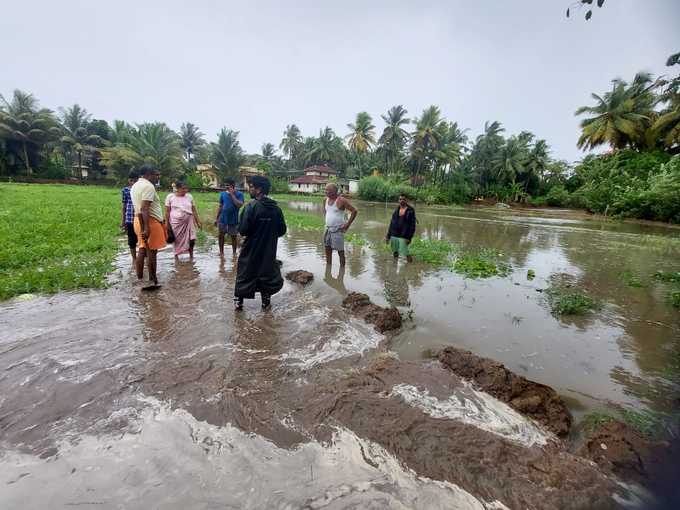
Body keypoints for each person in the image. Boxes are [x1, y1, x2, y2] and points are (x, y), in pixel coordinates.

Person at [234, 176, 287, 311]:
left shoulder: (251, 207)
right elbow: (282, 231)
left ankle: (239, 303)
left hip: (251, 249)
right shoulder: (276, 209)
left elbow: (243, 230)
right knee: (266, 274)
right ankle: (266, 303)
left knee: (244, 273)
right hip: (268, 250)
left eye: (251, 187)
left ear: (258, 190)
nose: (249, 189)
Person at [131, 164, 165, 289]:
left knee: (142, 249)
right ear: (148, 174)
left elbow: (140, 209)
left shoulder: (135, 185)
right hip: (149, 221)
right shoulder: (148, 186)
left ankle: (140, 279)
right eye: (156, 175)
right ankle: (152, 280)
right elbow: (144, 208)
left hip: (137, 220)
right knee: (152, 251)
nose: (158, 177)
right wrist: (147, 228)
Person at [164, 181, 202, 260]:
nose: (185, 190)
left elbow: (194, 210)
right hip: (176, 223)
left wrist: (198, 221)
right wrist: (167, 223)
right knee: (177, 241)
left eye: (186, 188)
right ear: (177, 189)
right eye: (183, 188)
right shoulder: (170, 197)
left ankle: (191, 255)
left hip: (189, 222)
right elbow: (167, 211)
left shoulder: (189, 197)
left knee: (192, 239)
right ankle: (176, 256)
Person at [323, 183, 357, 268]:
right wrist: (327, 221)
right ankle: (328, 268)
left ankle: (342, 272)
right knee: (327, 249)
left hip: (338, 230)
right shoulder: (325, 200)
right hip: (327, 228)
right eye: (325, 190)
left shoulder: (341, 200)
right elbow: (325, 211)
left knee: (340, 252)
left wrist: (347, 225)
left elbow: (354, 211)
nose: (326, 192)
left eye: (328, 190)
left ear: (334, 191)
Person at [215, 178, 244, 256]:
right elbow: (220, 206)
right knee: (221, 236)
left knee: (233, 237)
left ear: (233, 185)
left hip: (233, 220)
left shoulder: (239, 194)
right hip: (223, 219)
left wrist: (231, 194)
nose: (226, 187)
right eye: (225, 185)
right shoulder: (223, 194)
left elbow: (239, 205)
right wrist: (216, 218)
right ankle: (221, 253)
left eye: (228, 185)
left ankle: (234, 253)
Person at [386, 193, 417, 263]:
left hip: (404, 235)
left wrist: (409, 238)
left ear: (407, 201)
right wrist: (388, 236)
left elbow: (413, 226)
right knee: (395, 251)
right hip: (394, 234)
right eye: (400, 199)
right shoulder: (396, 210)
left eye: (403, 199)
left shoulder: (410, 211)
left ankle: (411, 267)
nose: (402, 201)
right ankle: (395, 264)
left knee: (406, 253)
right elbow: (391, 224)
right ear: (398, 200)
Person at [121, 171, 139, 261]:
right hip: (129, 219)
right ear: (129, 181)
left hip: (140, 219)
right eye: (132, 181)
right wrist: (122, 221)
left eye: (135, 181)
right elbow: (124, 206)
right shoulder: (125, 190)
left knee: (143, 239)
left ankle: (145, 258)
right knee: (131, 240)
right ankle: (134, 259)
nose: (133, 183)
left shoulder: (141, 190)